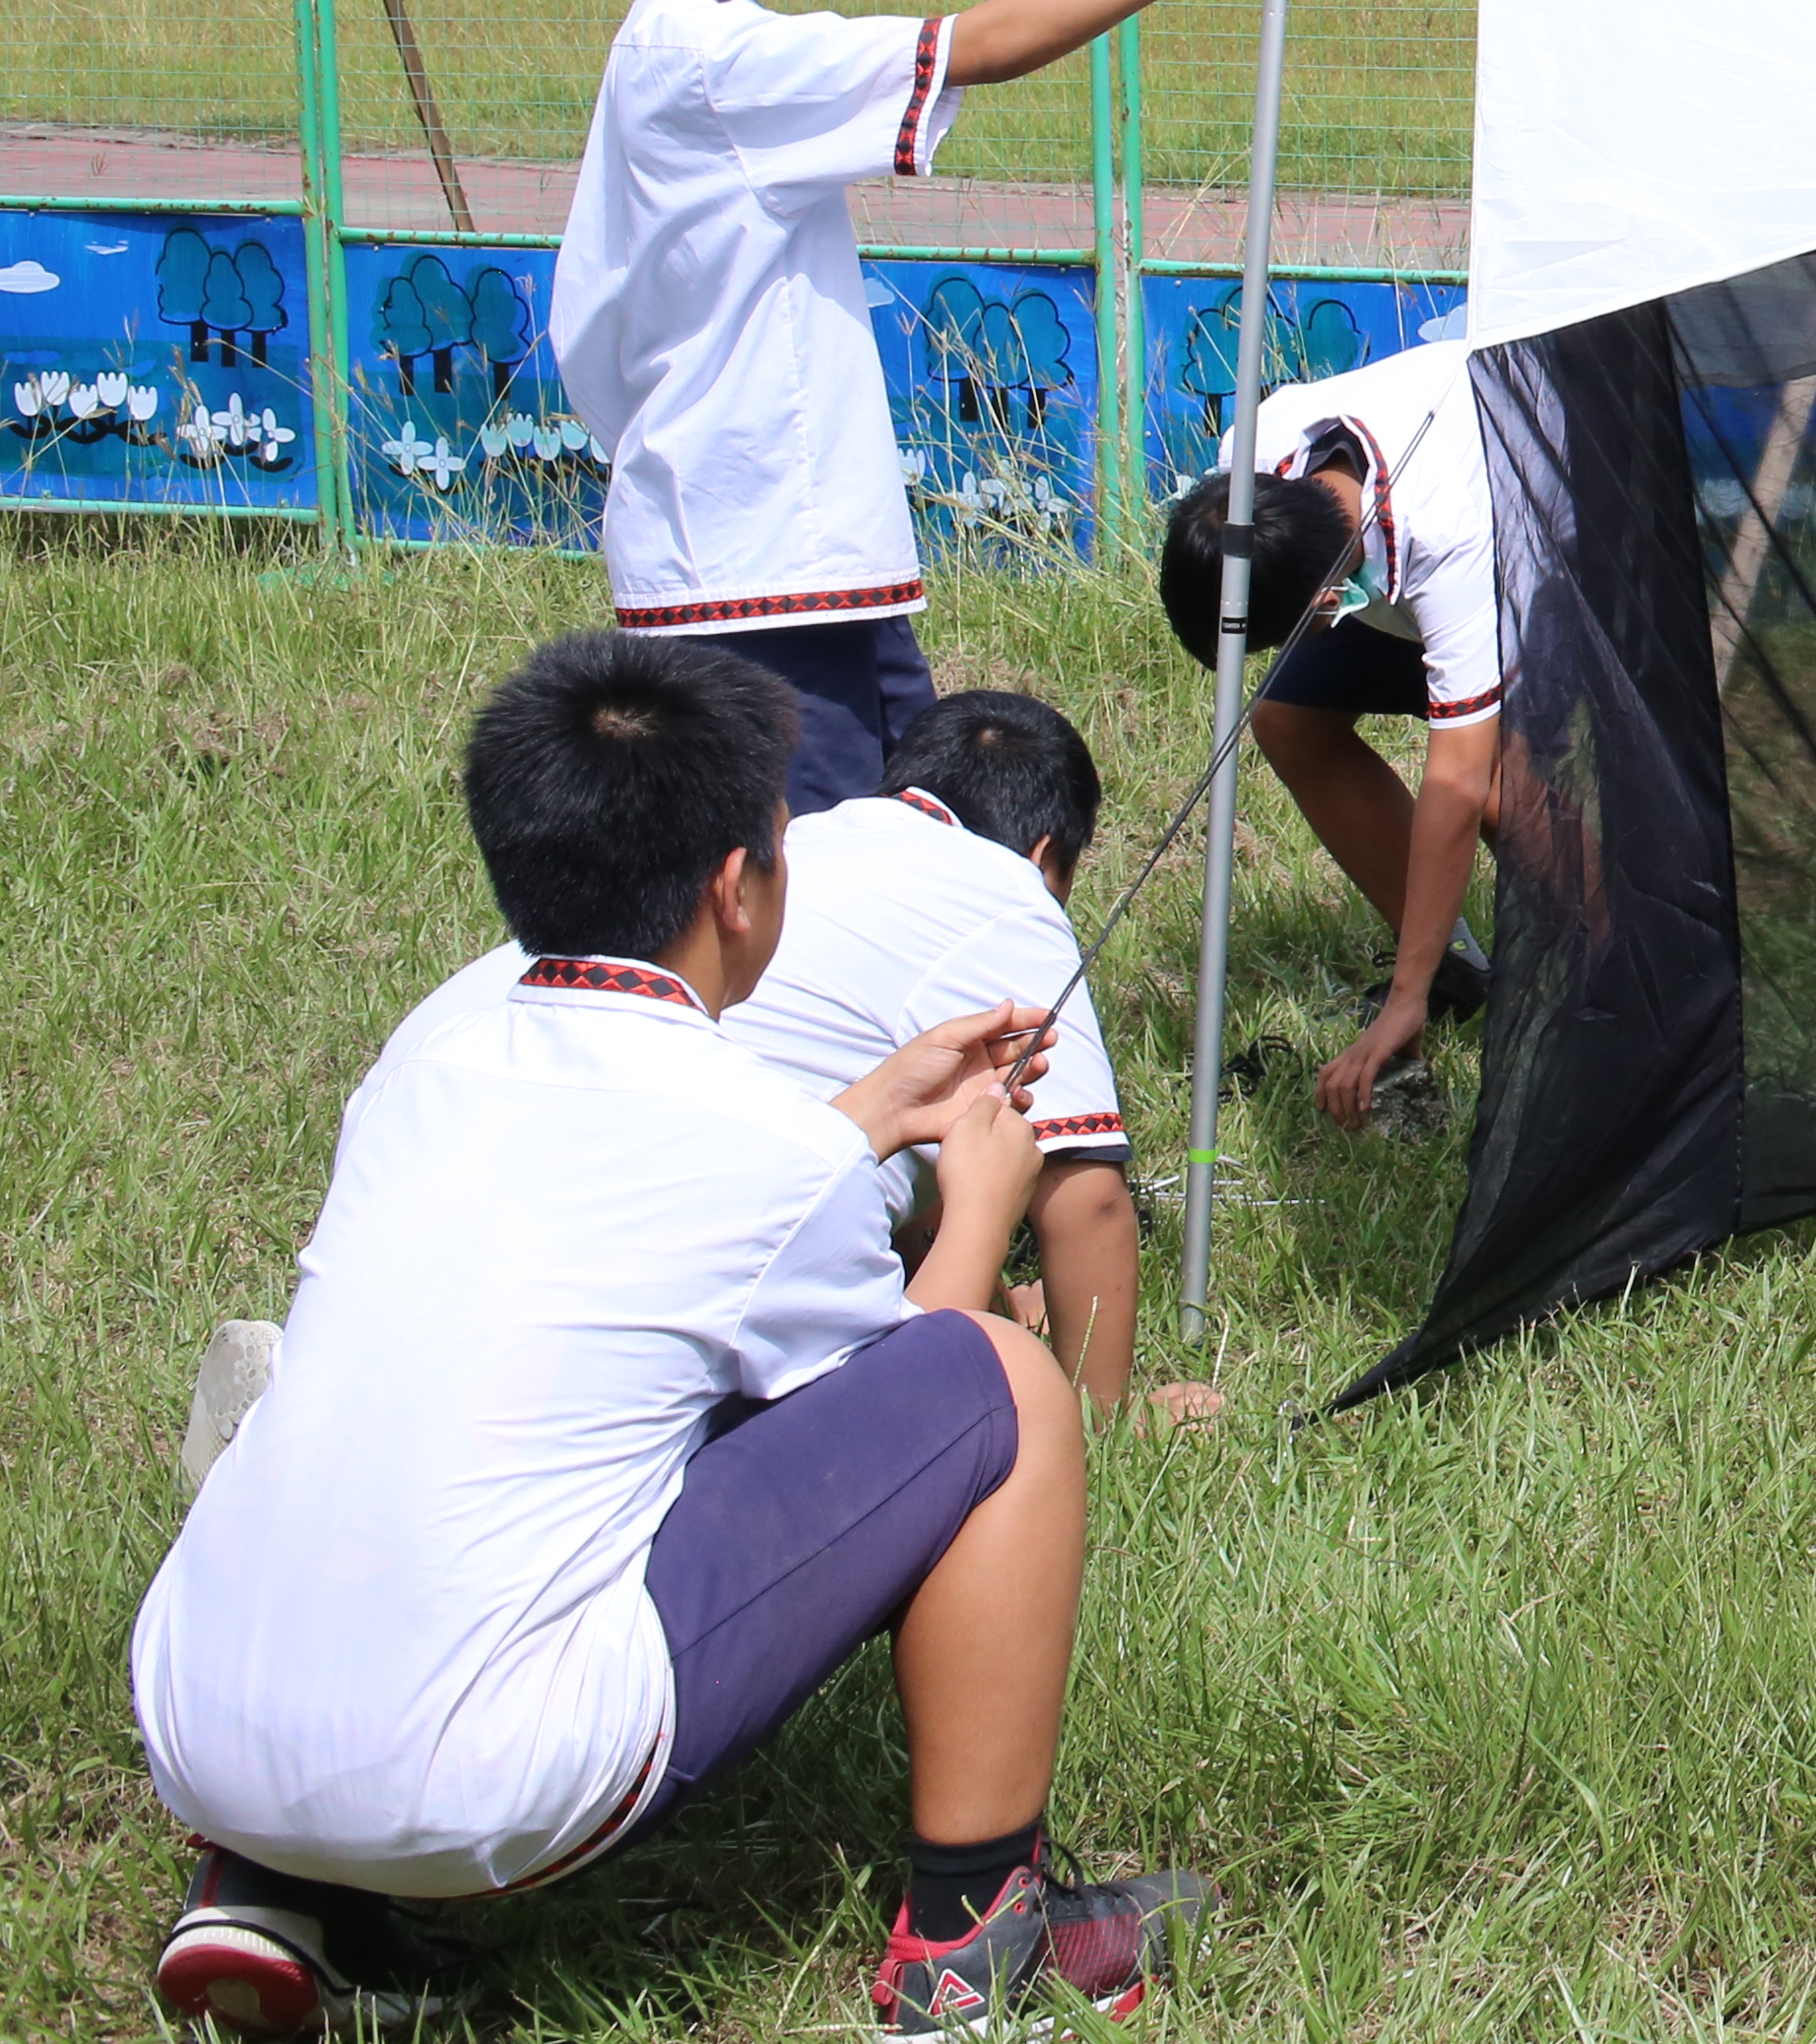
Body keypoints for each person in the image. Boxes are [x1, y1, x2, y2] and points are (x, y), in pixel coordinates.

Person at [129, 632, 1204, 2037]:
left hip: (199, 1730)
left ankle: (283, 1891)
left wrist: (873, 1109)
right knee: (1000, 1379)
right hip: (495, 1783)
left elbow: (649, 1226)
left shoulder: (430, 1044)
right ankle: (973, 1931)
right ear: (735, 888)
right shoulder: (755, 1136)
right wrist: (975, 1204)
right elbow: (909, 1410)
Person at [554, 0, 1312, 817]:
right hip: (753, 561)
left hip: (794, 549)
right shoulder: (712, 62)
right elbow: (980, 44)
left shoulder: (702, 39)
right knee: (811, 857)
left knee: (912, 818)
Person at [724, 688, 1212, 1426]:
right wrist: (1103, 1416)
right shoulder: (1008, 891)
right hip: (766, 1279)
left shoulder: (811, 839)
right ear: (1047, 854)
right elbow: (1086, 1192)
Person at [1152, 333, 1508, 1128]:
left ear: (1321, 610)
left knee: (1501, 798)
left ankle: (1598, 980)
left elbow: (1454, 778)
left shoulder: (1445, 532)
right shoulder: (1256, 458)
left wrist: (1400, 998)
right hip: (1376, 562)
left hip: (1538, 549)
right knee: (1288, 717)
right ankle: (1456, 968)